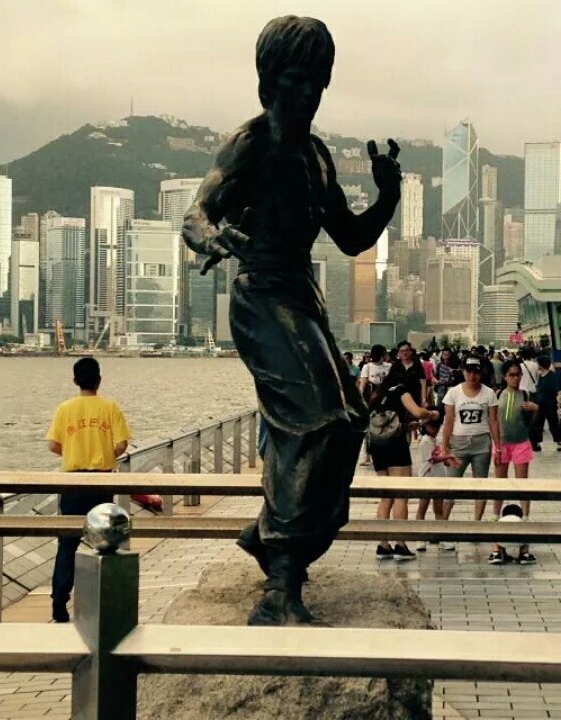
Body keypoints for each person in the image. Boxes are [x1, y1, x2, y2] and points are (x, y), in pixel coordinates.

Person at [182, 15, 402, 626]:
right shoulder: (251, 143)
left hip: (303, 295)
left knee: (349, 420)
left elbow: (350, 236)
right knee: (317, 420)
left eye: (317, 81)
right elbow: (196, 213)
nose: (307, 93)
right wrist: (214, 238)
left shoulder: (318, 156)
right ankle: (281, 583)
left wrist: (388, 196)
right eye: (296, 79)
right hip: (260, 295)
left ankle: (270, 537)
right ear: (269, 79)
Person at [46, 358, 131, 622]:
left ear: (75, 380)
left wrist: (73, 452)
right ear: (99, 380)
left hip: (72, 482)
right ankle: (102, 601)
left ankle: (59, 602)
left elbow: (53, 445)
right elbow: (122, 444)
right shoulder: (110, 407)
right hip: (101, 482)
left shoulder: (65, 409)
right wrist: (105, 453)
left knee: (67, 544)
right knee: (106, 541)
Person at [369, 375, 440, 561]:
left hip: (377, 446)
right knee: (400, 495)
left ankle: (383, 545)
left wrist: (407, 426)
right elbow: (418, 412)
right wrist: (431, 414)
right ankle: (400, 544)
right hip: (395, 447)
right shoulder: (401, 390)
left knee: (385, 497)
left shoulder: (378, 395)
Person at [439, 356, 502, 530]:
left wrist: (498, 446)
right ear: (463, 372)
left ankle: (477, 524)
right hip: (459, 442)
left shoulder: (488, 393)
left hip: (481, 442)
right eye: (469, 372)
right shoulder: (454, 393)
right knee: (451, 486)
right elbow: (448, 421)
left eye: (476, 372)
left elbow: (493, 421)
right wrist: (444, 447)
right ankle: (442, 524)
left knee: (480, 485)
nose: (472, 376)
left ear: (481, 373)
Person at [488, 360, 538, 565]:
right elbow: (493, 421)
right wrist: (496, 445)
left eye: (518, 374)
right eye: (512, 374)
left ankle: (525, 529)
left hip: (521, 443)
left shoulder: (526, 395)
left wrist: (535, 409)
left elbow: (532, 424)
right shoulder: (497, 395)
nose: (516, 378)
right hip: (502, 445)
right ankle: (495, 534)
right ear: (504, 376)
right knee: (500, 487)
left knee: (522, 487)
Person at [414, 415, 446, 552]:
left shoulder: (432, 439)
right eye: (432, 426)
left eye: (437, 426)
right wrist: (447, 457)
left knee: (438, 508)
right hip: (427, 477)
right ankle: (420, 538)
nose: (435, 429)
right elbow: (432, 459)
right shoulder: (426, 440)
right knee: (423, 507)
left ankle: (441, 536)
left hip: (437, 477)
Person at [358, 344, 391, 466]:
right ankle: (367, 456)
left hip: (386, 400)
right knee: (370, 429)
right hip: (371, 401)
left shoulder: (389, 366)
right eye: (384, 354)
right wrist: (361, 402)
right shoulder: (367, 367)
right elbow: (362, 385)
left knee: (386, 427)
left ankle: (385, 454)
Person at [532, 355, 561, 451]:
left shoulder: (552, 376)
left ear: (541, 365)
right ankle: (536, 443)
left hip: (550, 404)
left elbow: (556, 389)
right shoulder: (541, 375)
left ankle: (559, 441)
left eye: (538, 363)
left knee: (553, 423)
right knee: (538, 423)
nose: (537, 365)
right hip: (540, 404)